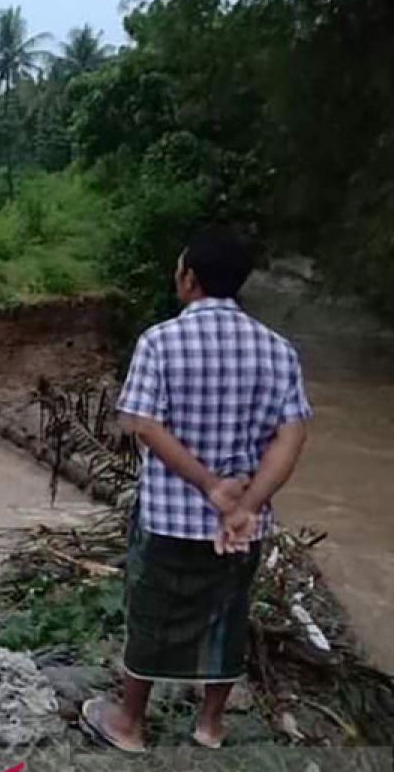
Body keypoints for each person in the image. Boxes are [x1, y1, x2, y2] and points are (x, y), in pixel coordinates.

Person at [79, 225, 312, 753]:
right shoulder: (277, 350)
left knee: (152, 615)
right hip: (242, 527)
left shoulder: (161, 341)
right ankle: (210, 726)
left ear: (189, 279)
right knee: (227, 615)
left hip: (169, 516)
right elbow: (292, 434)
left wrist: (208, 486)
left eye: (179, 269)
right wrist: (245, 504)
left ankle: (130, 725)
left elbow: (141, 422)